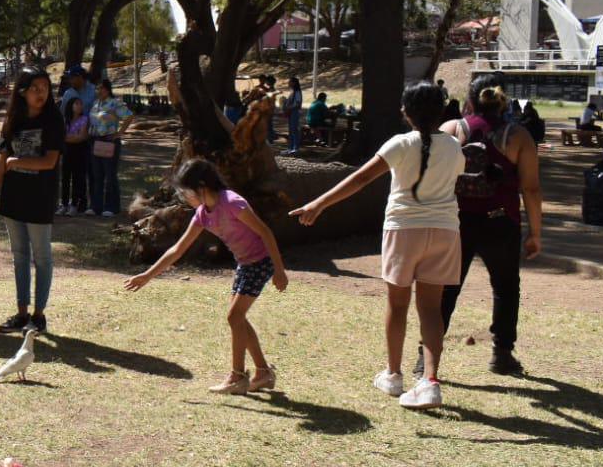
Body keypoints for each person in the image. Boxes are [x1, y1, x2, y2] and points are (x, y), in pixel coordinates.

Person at [290, 82, 462, 409]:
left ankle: (394, 375)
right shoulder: (454, 146)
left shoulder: (400, 143)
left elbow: (360, 179)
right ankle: (429, 381)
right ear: (441, 111)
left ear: (405, 112)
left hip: (403, 230)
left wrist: (319, 204)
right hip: (444, 231)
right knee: (430, 308)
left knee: (397, 305)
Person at [125, 159, 288, 394]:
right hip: (244, 263)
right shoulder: (203, 214)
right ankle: (263, 372)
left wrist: (279, 270)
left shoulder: (232, 203)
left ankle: (237, 377)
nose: (183, 197)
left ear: (201, 187)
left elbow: (265, 232)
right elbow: (177, 250)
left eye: (185, 191)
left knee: (235, 317)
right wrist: (147, 275)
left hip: (260, 262)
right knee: (238, 318)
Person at [431, 75, 543, 377]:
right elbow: (530, 189)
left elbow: (433, 176)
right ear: (504, 100)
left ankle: (426, 357)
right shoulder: (519, 136)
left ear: (469, 99)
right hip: (500, 221)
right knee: (506, 288)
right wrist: (535, 233)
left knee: (446, 288)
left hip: (456, 221)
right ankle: (502, 354)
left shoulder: (452, 130)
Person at [0, 67, 65, 334]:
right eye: (35, 88)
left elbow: (50, 161)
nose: (41, 93)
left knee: (42, 257)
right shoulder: (14, 120)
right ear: (23, 92)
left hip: (40, 197)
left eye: (45, 88)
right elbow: (0, 163)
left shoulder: (54, 120)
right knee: (19, 256)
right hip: (13, 198)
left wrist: (19, 161)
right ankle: (21, 313)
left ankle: (39, 316)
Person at [87, 79, 133, 217]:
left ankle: (111, 207)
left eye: (101, 88)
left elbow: (129, 116)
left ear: (107, 89)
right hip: (95, 141)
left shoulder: (115, 103)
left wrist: (119, 133)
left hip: (109, 141)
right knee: (97, 175)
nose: (98, 91)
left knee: (110, 174)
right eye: (97, 88)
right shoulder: (96, 104)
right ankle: (96, 206)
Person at [58, 96, 89, 216]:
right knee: (65, 178)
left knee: (77, 178)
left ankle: (74, 205)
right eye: (77, 104)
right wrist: (72, 137)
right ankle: (64, 204)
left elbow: (81, 137)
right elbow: (60, 137)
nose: (79, 106)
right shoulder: (65, 120)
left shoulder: (84, 119)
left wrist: (68, 138)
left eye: (81, 104)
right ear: (70, 106)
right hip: (66, 152)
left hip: (79, 152)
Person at [283, 76, 305, 154]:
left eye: (290, 81)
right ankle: (290, 147)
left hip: (294, 112)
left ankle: (296, 148)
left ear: (294, 83)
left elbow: (298, 104)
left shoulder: (297, 92)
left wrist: (289, 107)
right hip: (290, 112)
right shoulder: (292, 91)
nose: (288, 83)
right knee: (290, 130)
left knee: (294, 130)